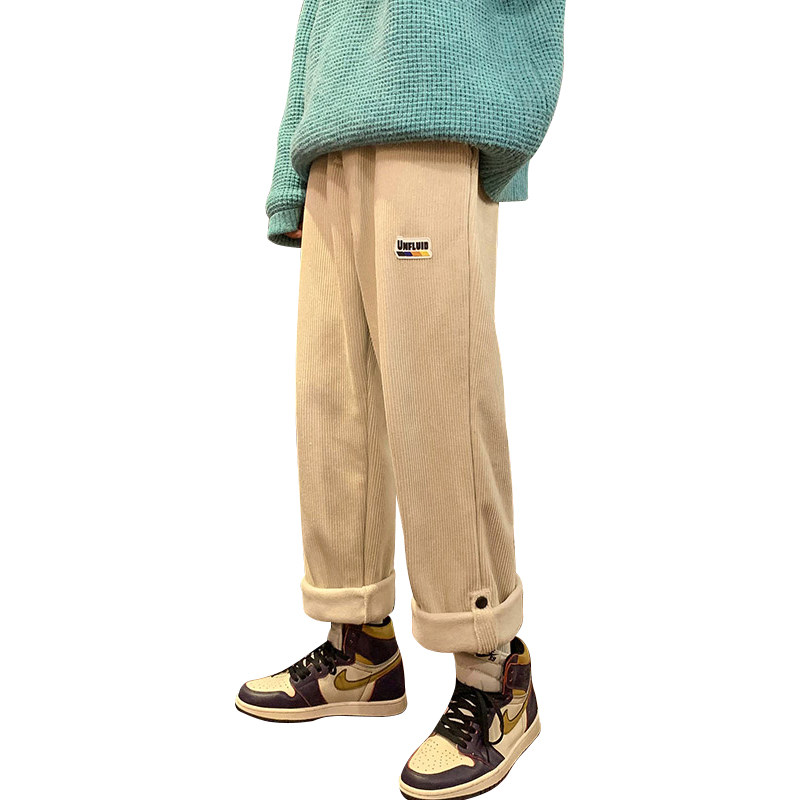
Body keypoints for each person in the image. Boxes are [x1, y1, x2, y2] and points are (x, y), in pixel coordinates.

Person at [236, 2, 565, 797]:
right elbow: (320, 18)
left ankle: (494, 674)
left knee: (439, 394)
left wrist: (503, 119)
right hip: (333, 142)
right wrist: (291, 175)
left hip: (431, 116)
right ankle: (359, 645)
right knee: (334, 403)